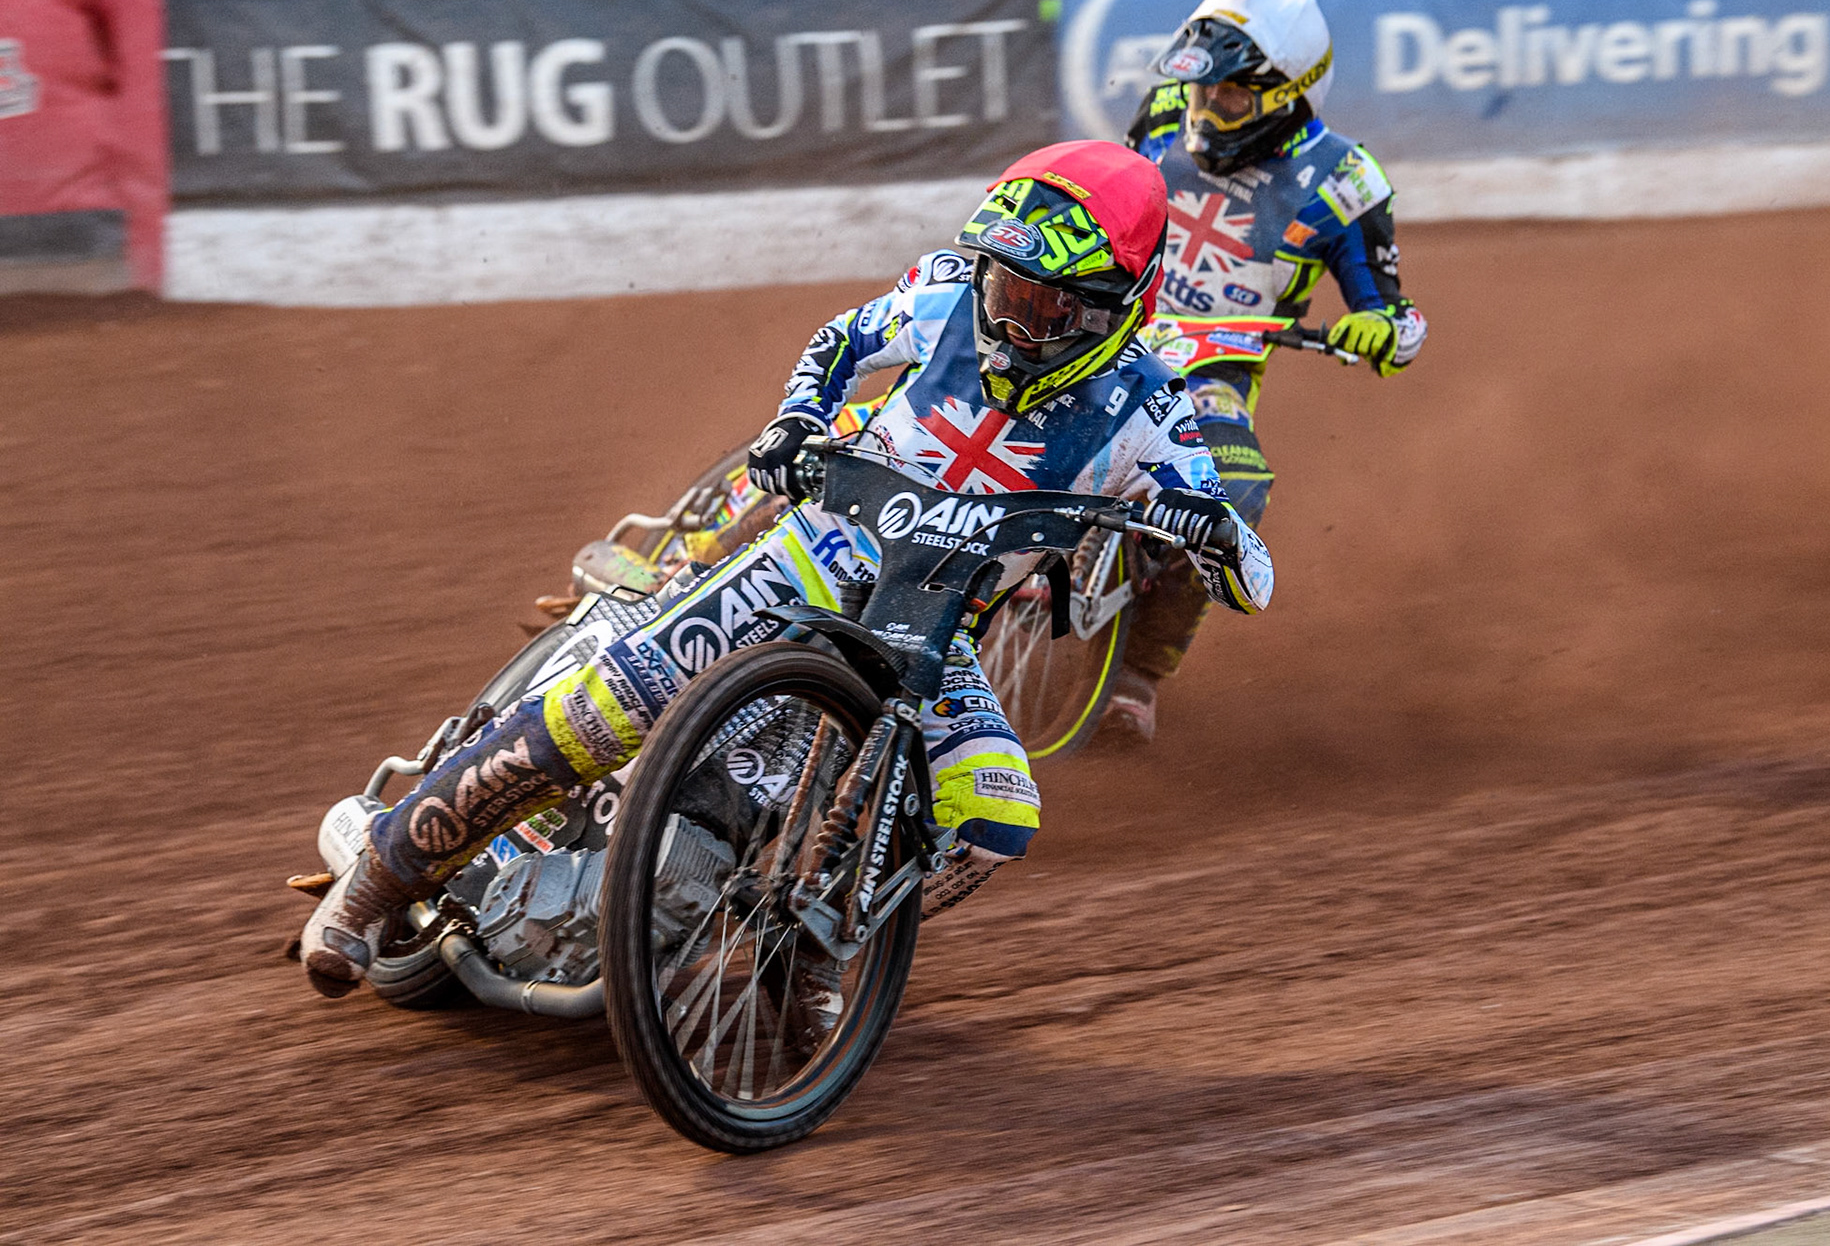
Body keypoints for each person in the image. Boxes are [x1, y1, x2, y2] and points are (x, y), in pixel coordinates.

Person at [302, 139, 1273, 1000]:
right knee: (609, 705)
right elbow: (842, 339)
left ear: (1122, 305)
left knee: (994, 813)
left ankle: (812, 951)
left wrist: (1217, 534)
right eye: (1005, 289)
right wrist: (797, 420)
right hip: (815, 552)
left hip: (936, 628)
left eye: (1047, 306)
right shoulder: (945, 296)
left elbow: (1254, 576)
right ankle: (379, 879)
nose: (1012, 321)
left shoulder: (1153, 405)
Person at [1107, 0, 1427, 741]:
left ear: (1290, 93)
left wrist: (1381, 331)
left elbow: (1396, 314)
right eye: (1200, 92)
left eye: (1230, 98)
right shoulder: (1157, 116)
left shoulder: (1346, 182)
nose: (1205, 110)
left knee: (1234, 491)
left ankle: (1136, 678)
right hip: (1109, 333)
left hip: (1212, 374)